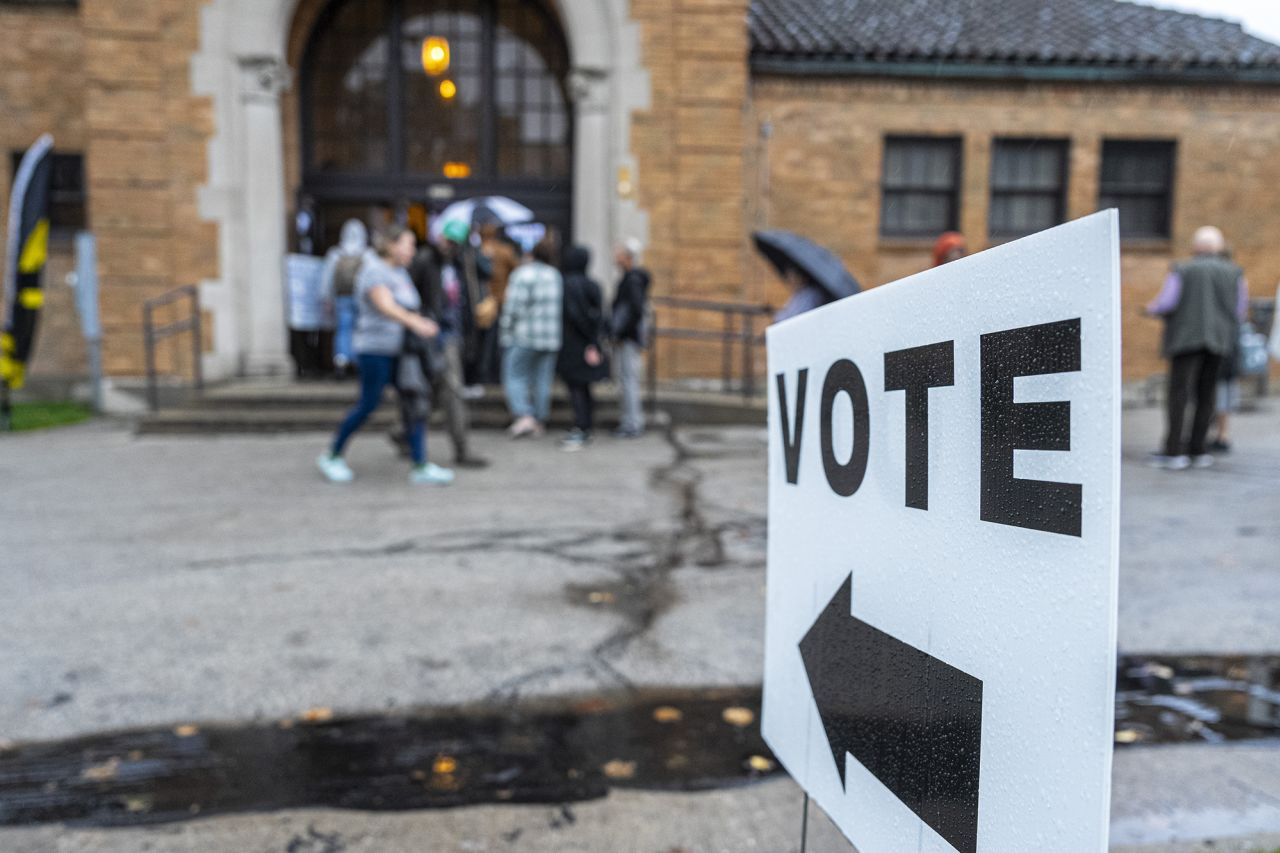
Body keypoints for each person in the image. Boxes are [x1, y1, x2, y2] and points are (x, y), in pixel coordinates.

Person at [317, 223, 454, 486]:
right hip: (375, 350)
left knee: (413, 404)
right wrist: (415, 322)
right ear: (391, 245)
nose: (412, 251)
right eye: (408, 244)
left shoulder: (400, 272)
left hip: (402, 351)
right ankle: (332, 455)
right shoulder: (374, 271)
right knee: (368, 404)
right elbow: (385, 305)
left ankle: (420, 464)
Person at [1144, 226, 1248, 470]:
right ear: (1219, 248)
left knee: (1179, 394)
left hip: (1185, 340)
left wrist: (1151, 309)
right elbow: (1239, 310)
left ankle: (1173, 451)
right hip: (1219, 342)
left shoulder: (1182, 269)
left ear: (1195, 247)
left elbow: (1166, 302)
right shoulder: (1235, 273)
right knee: (1207, 394)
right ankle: (1198, 449)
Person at [406, 221, 489, 469]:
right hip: (429, 333)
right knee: (443, 391)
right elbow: (408, 294)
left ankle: (404, 432)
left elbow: (485, 275)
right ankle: (460, 449)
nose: (448, 246)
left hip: (452, 337)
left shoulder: (462, 263)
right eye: (447, 240)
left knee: (444, 391)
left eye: (454, 243)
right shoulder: (424, 260)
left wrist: (473, 255)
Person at [500, 230, 564, 438]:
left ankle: (523, 415)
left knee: (513, 374)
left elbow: (513, 308)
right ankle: (539, 419)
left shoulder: (523, 274)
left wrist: (505, 331)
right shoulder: (555, 276)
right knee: (542, 379)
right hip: (550, 338)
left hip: (525, 336)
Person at [557, 245, 609, 450]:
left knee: (576, 387)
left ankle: (581, 427)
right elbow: (600, 316)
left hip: (573, 343)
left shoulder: (566, 284)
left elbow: (574, 314)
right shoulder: (593, 284)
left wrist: (586, 337)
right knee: (585, 387)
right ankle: (586, 425)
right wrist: (594, 341)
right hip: (589, 343)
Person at [320, 219, 372, 378]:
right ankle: (357, 362)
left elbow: (326, 278)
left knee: (343, 329)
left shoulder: (336, 253)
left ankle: (341, 360)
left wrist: (326, 297)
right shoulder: (367, 254)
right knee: (359, 330)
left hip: (341, 297)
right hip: (361, 299)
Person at [610, 238, 650, 438]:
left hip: (628, 338)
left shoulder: (631, 279)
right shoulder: (631, 278)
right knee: (627, 380)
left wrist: (621, 332)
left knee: (628, 381)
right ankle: (630, 422)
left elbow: (635, 310)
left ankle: (632, 423)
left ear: (627, 257)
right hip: (629, 337)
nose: (615, 257)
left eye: (618, 253)